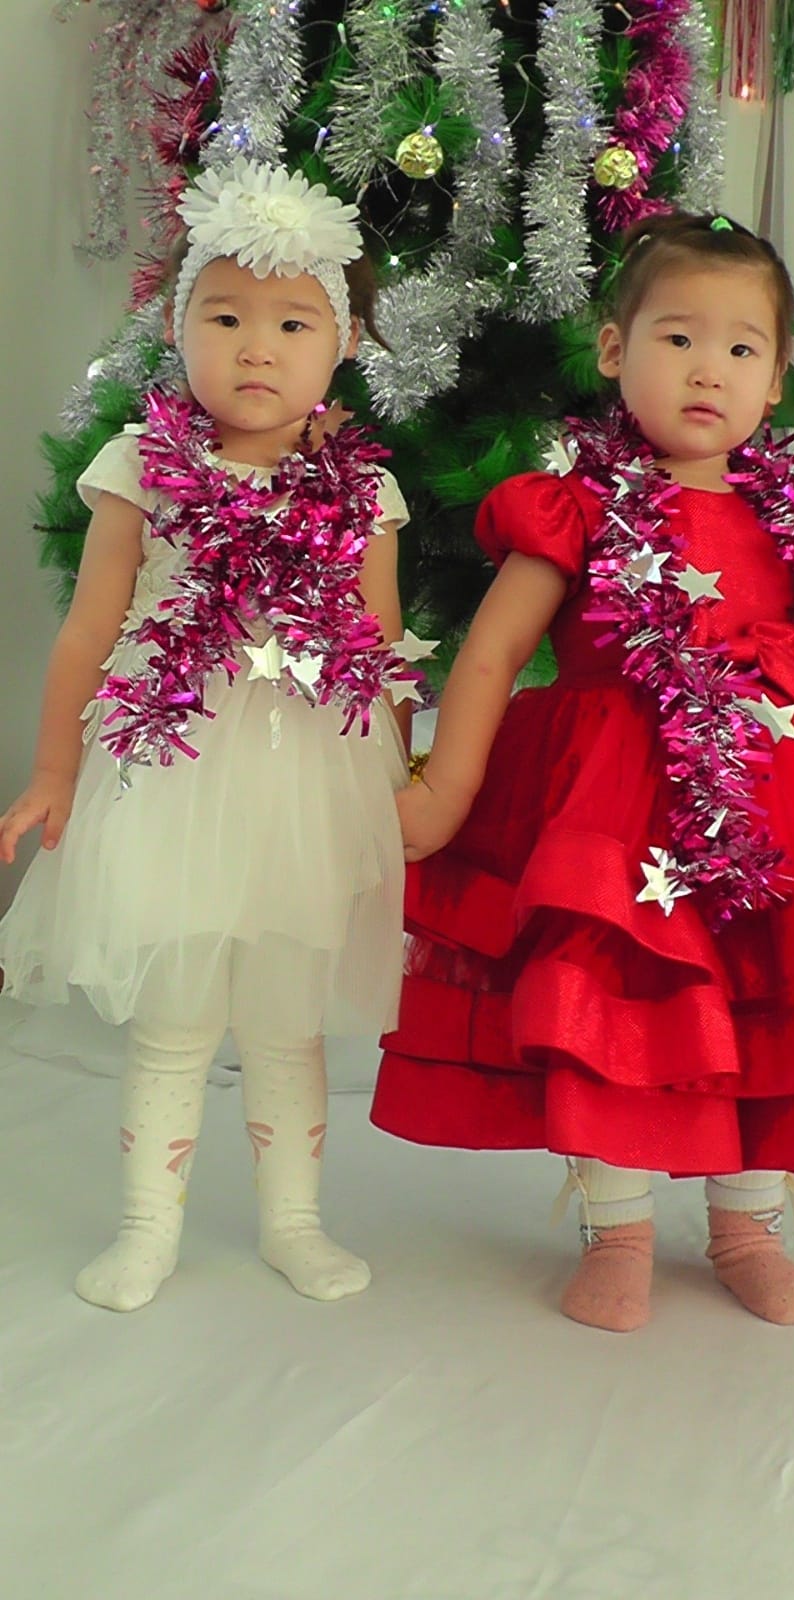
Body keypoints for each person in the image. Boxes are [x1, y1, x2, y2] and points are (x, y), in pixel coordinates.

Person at [372, 212, 794, 1332]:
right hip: (613, 814)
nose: (709, 369)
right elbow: (493, 653)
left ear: (774, 383)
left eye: (742, 348)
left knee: (768, 998)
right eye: (678, 338)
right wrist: (446, 789)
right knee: (608, 1004)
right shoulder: (577, 510)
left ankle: (748, 1225)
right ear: (616, 350)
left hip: (769, 805)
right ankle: (615, 1225)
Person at [0, 157, 425, 1313]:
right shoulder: (141, 469)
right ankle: (148, 1227)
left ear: (342, 344)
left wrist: (400, 790)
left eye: (292, 323)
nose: (256, 348)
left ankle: (295, 1222)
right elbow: (90, 633)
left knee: (287, 1024)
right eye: (225, 316)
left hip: (307, 781)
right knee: (177, 1017)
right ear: (176, 327)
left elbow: (383, 652)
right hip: (171, 769)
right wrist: (54, 769)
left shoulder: (364, 492)